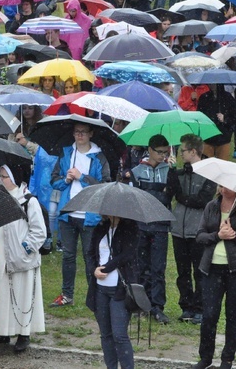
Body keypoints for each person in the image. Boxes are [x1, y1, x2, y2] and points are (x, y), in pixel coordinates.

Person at [50, 122, 111, 307]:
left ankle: (94, 296)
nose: (80, 135)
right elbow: (54, 180)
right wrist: (66, 179)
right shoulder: (67, 153)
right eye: (77, 132)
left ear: (91, 134)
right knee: (68, 255)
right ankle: (67, 294)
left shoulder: (99, 156)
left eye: (83, 132)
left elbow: (105, 184)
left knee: (89, 255)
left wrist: (82, 177)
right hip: (68, 213)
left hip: (89, 214)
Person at [0, 165, 46, 352]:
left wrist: (26, 249)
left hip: (22, 258)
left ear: (14, 177)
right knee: (3, 295)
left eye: (4, 176)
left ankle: (24, 334)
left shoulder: (28, 201)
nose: (1, 180)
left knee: (23, 296)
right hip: (1, 257)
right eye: (0, 176)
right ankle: (3, 332)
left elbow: (39, 232)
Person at [165, 134, 216, 325]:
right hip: (179, 230)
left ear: (193, 151)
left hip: (199, 231)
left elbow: (203, 200)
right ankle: (186, 306)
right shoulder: (179, 173)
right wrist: (171, 172)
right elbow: (171, 193)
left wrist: (183, 197)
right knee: (182, 272)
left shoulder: (209, 174)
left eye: (183, 151)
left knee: (200, 272)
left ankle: (200, 308)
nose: (180, 154)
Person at [195, 180, 236, 369]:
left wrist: (234, 236)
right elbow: (200, 235)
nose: (224, 189)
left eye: (228, 185)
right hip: (211, 268)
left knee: (233, 315)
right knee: (209, 315)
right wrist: (217, 236)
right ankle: (205, 357)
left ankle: (227, 359)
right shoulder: (211, 206)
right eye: (221, 185)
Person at [86, 214, 139, 369]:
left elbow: (127, 255)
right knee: (106, 335)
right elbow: (90, 253)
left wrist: (106, 268)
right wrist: (93, 269)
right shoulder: (100, 227)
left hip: (120, 289)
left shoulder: (131, 228)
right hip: (99, 289)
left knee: (119, 335)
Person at [130, 134, 172, 324]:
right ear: (150, 150)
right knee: (141, 266)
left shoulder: (170, 171)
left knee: (158, 268)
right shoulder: (137, 170)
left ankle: (157, 306)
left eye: (166, 152)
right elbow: (134, 198)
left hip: (161, 225)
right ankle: (141, 303)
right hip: (140, 224)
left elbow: (170, 197)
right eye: (159, 152)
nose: (163, 156)